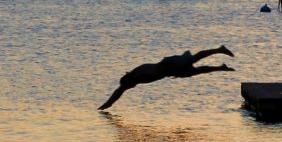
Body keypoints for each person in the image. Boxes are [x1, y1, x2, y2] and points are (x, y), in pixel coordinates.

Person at [98, 45, 234, 110]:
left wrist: (109, 103)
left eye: (131, 85)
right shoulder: (134, 77)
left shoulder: (139, 74)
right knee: (197, 71)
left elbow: (121, 89)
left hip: (171, 64)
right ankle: (221, 67)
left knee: (194, 59)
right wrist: (108, 104)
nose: (132, 87)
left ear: (130, 80)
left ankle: (219, 49)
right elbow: (119, 91)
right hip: (171, 71)